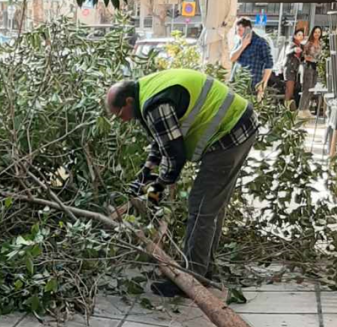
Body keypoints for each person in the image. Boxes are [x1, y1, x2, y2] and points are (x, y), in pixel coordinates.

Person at [106, 68, 259, 298]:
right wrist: (142, 178)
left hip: (230, 135)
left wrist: (155, 193)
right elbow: (161, 143)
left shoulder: (154, 104)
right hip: (240, 125)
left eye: (120, 115)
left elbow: (175, 158)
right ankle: (205, 268)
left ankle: (193, 279)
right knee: (212, 207)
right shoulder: (147, 94)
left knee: (201, 207)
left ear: (128, 101)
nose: (122, 121)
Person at [230, 18, 273, 101]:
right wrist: (242, 46)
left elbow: (269, 63)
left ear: (248, 29)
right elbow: (232, 58)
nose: (238, 33)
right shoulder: (240, 41)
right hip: (238, 82)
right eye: (237, 31)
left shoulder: (261, 42)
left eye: (240, 30)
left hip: (253, 84)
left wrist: (263, 83)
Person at [299, 26, 324, 120]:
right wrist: (308, 58)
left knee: (312, 88)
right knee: (307, 87)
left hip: (316, 67)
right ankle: (301, 109)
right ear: (312, 33)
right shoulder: (308, 43)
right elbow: (304, 55)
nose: (317, 34)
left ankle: (306, 108)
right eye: (315, 32)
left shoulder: (321, 43)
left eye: (319, 32)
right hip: (308, 66)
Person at [283, 28, 305, 110]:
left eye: (302, 35)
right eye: (299, 35)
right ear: (295, 36)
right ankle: (285, 110)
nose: (301, 36)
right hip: (289, 69)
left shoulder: (301, 46)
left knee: (292, 91)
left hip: (295, 71)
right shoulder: (291, 45)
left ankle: (289, 108)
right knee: (289, 91)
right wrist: (294, 50)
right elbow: (288, 52)